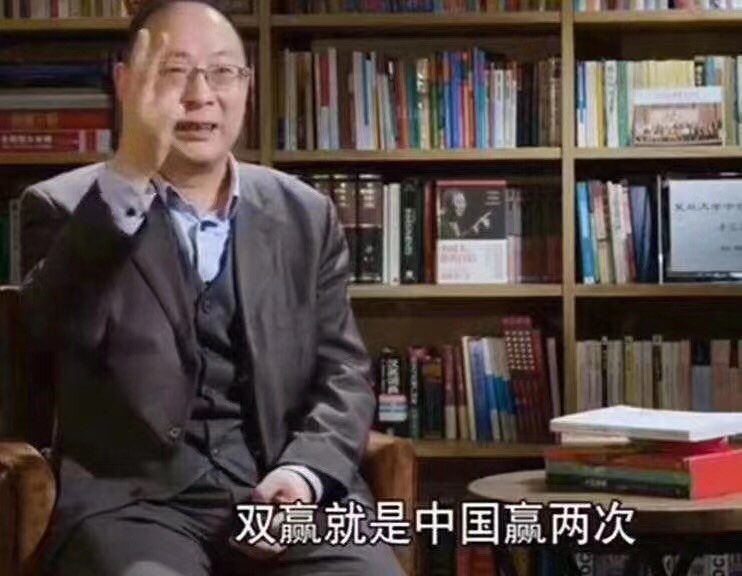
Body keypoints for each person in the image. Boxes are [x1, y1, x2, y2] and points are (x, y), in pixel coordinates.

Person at [20, 0, 404, 574]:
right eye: (174, 72)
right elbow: (49, 331)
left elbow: (342, 375)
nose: (200, 95)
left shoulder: (305, 213)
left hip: (283, 493)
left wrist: (302, 476)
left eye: (222, 71)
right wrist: (129, 174)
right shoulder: (64, 207)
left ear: (246, 87)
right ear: (126, 84)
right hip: (137, 506)